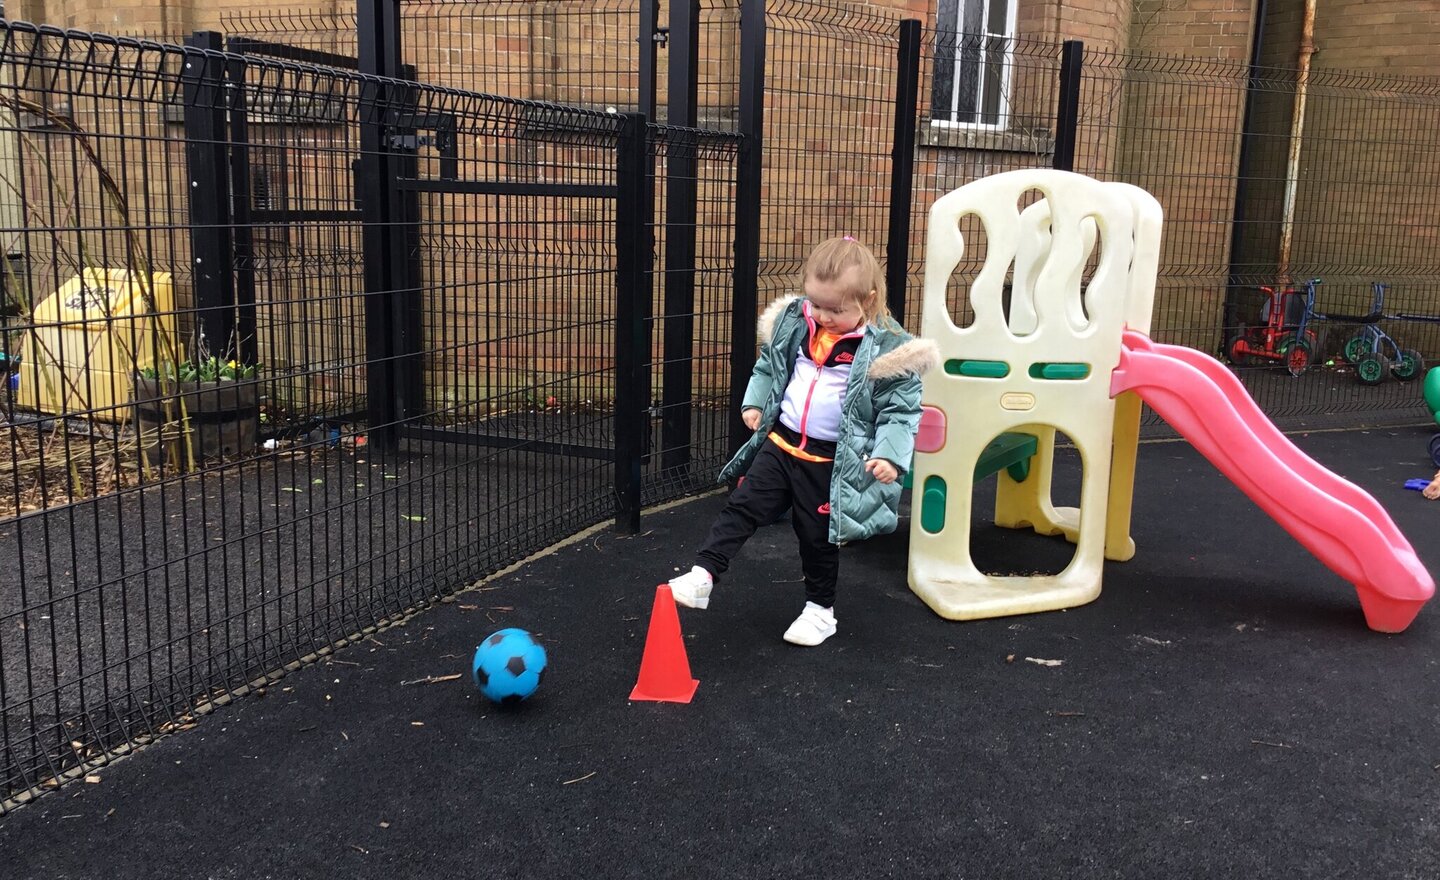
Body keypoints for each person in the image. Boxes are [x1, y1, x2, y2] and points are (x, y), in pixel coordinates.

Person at [664, 236, 939, 646]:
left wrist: (889, 456)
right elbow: (768, 367)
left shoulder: (887, 353)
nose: (824, 315)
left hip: (829, 459)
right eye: (816, 304)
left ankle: (819, 611)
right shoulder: (796, 323)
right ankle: (704, 573)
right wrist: (755, 403)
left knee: (816, 536)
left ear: (868, 300)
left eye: (836, 308)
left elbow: (900, 412)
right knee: (741, 507)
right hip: (782, 442)